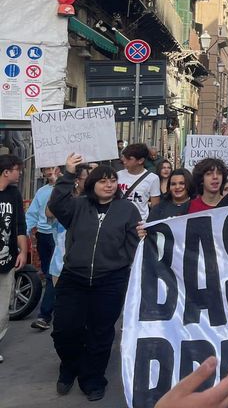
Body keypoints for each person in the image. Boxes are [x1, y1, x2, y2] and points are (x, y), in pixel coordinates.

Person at [48, 153, 142, 400]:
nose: (108, 184)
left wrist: (141, 242)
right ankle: (69, 366)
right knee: (65, 330)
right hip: (74, 278)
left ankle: (93, 379)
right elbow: (57, 205)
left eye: (112, 180)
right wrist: (68, 174)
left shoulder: (127, 210)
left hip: (110, 281)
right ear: (92, 184)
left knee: (100, 334)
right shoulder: (78, 206)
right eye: (102, 180)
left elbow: (135, 246)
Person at [26, 163, 61, 331]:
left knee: (51, 275)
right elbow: (32, 213)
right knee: (49, 274)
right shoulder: (41, 191)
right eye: (46, 169)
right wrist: (25, 232)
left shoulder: (69, 189)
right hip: (43, 236)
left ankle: (45, 316)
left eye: (52, 168)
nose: (49, 172)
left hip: (60, 236)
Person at [0, 154, 28, 364]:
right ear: (6, 171)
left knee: (2, 310)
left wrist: (23, 251)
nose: (20, 173)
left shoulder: (14, 194)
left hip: (6, 260)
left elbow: (20, 224)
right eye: (17, 169)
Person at [116, 142, 162, 221]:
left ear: (140, 160)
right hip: (118, 220)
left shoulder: (153, 178)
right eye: (124, 157)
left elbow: (155, 206)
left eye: (129, 158)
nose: (124, 161)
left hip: (139, 223)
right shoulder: (117, 175)